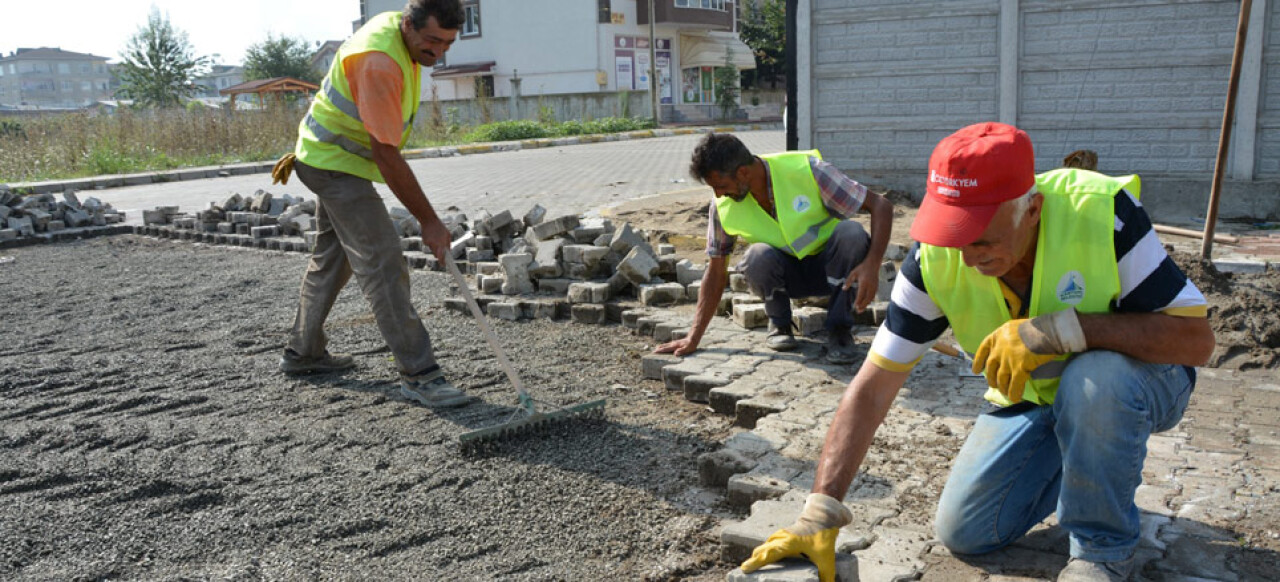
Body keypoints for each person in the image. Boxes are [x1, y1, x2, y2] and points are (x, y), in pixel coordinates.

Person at [740, 122, 1214, 582]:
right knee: (968, 531)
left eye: (983, 236)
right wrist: (820, 512)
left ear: (1032, 210)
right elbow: (873, 386)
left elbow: (1196, 342)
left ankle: (1102, 551)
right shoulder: (934, 259)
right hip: (1036, 400)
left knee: (1097, 377)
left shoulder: (1102, 214)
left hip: (1140, 383)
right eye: (954, 234)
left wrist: (1061, 330)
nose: (967, 256)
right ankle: (1090, 461)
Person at [270, 0, 471, 408]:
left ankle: (302, 352)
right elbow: (386, 153)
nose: (438, 52)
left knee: (333, 260)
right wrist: (429, 221)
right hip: (332, 165)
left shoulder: (399, 37)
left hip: (331, 158)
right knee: (382, 260)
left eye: (448, 43)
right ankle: (420, 375)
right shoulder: (379, 61)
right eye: (432, 41)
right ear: (409, 25)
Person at [655, 133, 894, 364]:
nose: (718, 194)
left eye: (721, 185)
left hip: (833, 273)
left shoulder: (807, 171)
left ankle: (840, 331)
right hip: (786, 279)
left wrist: (872, 266)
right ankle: (780, 325)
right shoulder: (722, 205)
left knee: (851, 232)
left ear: (743, 173)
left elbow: (881, 205)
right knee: (756, 255)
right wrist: (693, 336)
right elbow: (715, 270)